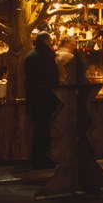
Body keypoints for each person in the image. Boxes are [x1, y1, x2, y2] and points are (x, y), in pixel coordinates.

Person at [24, 32, 59, 169]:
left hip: (34, 97)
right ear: (45, 41)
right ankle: (42, 159)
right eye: (50, 41)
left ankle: (38, 158)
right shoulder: (46, 56)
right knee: (43, 130)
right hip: (45, 97)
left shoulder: (30, 56)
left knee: (38, 129)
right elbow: (51, 77)